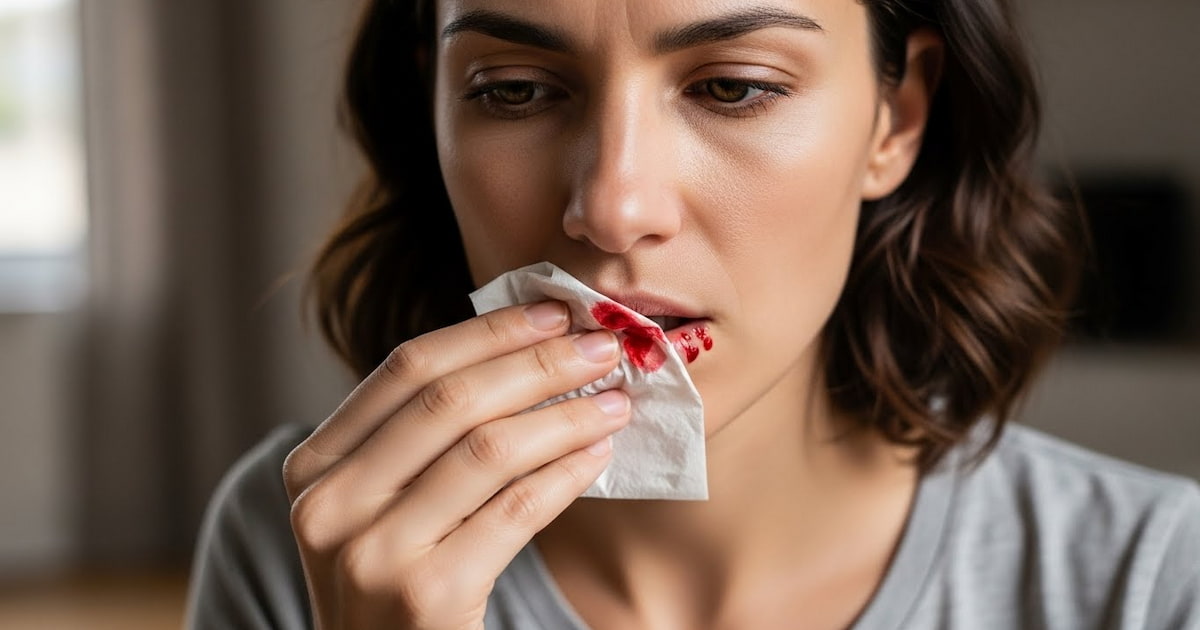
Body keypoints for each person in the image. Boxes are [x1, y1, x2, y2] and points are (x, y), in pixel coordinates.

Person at [185, 0, 1200, 628]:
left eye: (733, 87)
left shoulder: (1152, 580)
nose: (612, 206)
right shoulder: (306, 544)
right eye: (513, 90)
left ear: (897, 116)